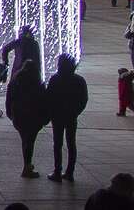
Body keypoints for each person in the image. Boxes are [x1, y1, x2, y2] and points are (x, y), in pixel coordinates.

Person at [44, 53, 87, 182]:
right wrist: (76, 112)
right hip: (71, 115)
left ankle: (57, 171)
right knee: (71, 144)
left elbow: (49, 98)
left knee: (57, 144)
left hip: (57, 116)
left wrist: (50, 112)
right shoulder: (79, 80)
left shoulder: (55, 79)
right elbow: (83, 100)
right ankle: (70, 172)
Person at [6, 58, 48, 179]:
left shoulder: (15, 81)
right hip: (34, 117)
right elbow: (43, 101)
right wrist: (45, 117)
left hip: (19, 116)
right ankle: (27, 166)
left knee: (25, 140)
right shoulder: (37, 83)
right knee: (30, 142)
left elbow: (9, 97)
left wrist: (10, 113)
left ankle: (27, 165)